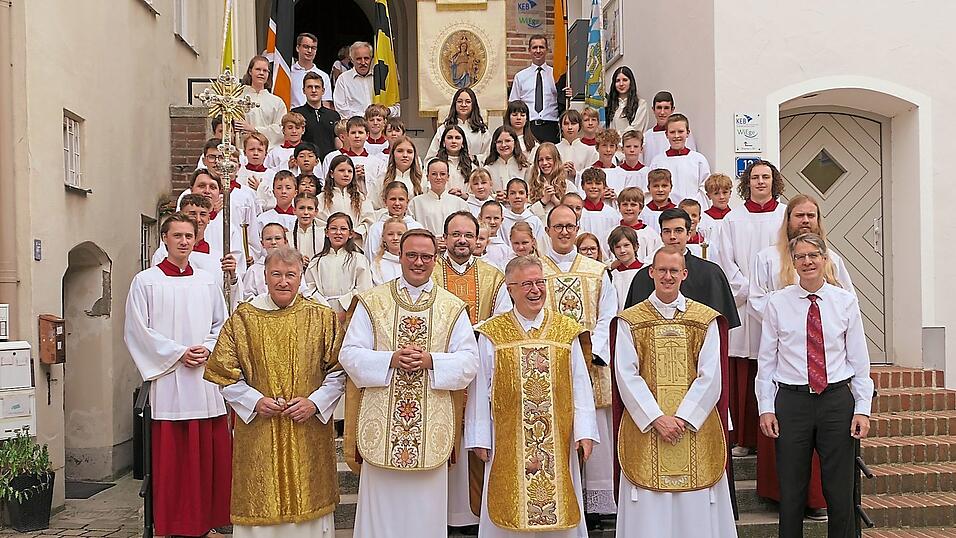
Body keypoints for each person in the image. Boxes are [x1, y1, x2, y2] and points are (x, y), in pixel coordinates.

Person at [340, 228, 479, 537]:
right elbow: (349, 354)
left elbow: (470, 362)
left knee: (425, 515)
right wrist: (390, 359)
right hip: (382, 423)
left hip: (431, 424)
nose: (419, 262)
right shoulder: (372, 302)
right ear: (399, 257)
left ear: (435, 259)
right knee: (382, 510)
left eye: (426, 256)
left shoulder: (451, 306)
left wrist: (432, 361)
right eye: (412, 255)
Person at [204, 245, 342, 537]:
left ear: (300, 276)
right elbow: (223, 373)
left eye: (290, 275)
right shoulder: (244, 318)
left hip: (308, 429)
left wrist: (315, 403)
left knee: (309, 499)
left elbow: (339, 370)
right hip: (259, 431)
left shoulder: (321, 317)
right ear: (264, 276)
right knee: (260, 493)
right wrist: (254, 401)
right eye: (276, 274)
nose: (283, 281)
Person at [465, 255, 599, 537]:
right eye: (527, 284)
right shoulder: (492, 333)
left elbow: (580, 384)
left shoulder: (565, 330)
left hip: (558, 439)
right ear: (510, 288)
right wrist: (479, 437)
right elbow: (480, 387)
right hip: (507, 438)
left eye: (540, 282)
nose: (535, 290)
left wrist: (585, 431)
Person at [613, 246, 736, 538]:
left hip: (693, 428)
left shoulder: (705, 319)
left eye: (674, 271)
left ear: (684, 274)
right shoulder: (630, 320)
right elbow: (626, 374)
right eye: (662, 270)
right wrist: (657, 418)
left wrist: (683, 417)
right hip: (648, 429)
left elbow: (711, 376)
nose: (668, 277)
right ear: (651, 273)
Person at [756, 233, 873, 538]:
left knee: (839, 491)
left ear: (824, 260)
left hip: (836, 401)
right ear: (793, 262)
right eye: (800, 257)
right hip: (792, 403)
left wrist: (863, 409)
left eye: (813, 256)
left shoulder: (845, 302)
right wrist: (766, 407)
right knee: (792, 491)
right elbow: (766, 361)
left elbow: (859, 360)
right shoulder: (778, 303)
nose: (807, 262)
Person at [749, 194, 855, 520]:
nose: (805, 220)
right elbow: (757, 301)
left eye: (811, 214)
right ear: (788, 219)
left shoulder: (832, 260)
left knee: (839, 486)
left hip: (831, 387)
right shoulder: (768, 258)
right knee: (791, 482)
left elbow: (848, 310)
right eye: (799, 215)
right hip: (791, 376)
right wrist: (785, 315)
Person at [124, 213, 230, 537]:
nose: (184, 241)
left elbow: (221, 325)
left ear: (195, 239)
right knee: (174, 460)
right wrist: (177, 353)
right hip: (170, 382)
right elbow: (136, 331)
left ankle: (208, 519)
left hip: (203, 380)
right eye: (178, 235)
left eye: (189, 236)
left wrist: (207, 349)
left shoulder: (207, 281)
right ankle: (173, 522)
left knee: (208, 458)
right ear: (165, 239)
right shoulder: (145, 282)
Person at [433, 211, 511, 531]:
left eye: (468, 235)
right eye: (455, 234)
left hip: (480, 366)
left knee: (477, 430)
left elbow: (503, 319)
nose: (462, 240)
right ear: (446, 238)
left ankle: (476, 514)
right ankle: (444, 512)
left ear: (479, 239)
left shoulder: (493, 276)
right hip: (441, 366)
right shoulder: (431, 272)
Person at [541, 204, 619, 520]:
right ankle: (560, 497)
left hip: (592, 367)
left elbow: (608, 316)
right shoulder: (534, 270)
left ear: (577, 228)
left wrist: (594, 352)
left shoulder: (597, 271)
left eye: (569, 226)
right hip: (546, 368)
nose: (563, 231)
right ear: (546, 231)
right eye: (557, 226)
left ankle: (599, 505)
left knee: (595, 430)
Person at [714, 159, 787, 458]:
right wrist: (747, 290)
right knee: (745, 369)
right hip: (744, 306)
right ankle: (744, 437)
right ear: (747, 183)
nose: (760, 182)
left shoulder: (785, 216)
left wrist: (776, 297)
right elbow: (723, 260)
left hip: (781, 303)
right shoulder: (733, 219)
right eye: (755, 177)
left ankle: (773, 437)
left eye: (765, 177)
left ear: (774, 181)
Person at [624, 208, 741, 332]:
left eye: (678, 231)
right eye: (667, 231)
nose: (672, 236)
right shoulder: (643, 277)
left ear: (689, 234)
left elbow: (720, 330)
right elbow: (633, 326)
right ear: (661, 236)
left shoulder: (711, 274)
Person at [303, 212, 372, 314]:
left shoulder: (359, 259)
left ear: (351, 234)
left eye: (343, 229)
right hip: (322, 313)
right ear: (326, 232)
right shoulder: (316, 262)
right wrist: (325, 309)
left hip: (351, 314)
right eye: (334, 228)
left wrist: (345, 311)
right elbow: (309, 289)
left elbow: (364, 289)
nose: (338, 232)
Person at [508, 34, 569, 143]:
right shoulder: (520, 76)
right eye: (534, 47)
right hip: (528, 126)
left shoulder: (556, 75)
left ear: (547, 50)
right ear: (529, 50)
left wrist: (569, 94)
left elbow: (562, 99)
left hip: (551, 126)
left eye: (541, 47)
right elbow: (514, 104)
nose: (538, 50)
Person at [647, 114, 710, 207]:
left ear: (687, 133)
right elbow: (652, 189)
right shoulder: (657, 161)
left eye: (680, 131)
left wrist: (691, 208)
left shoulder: (699, 160)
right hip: (666, 212)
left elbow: (705, 188)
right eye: (672, 132)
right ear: (666, 134)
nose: (676, 136)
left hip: (691, 213)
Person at [241, 222, 310, 302]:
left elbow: (303, 290)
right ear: (262, 243)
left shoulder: (294, 266)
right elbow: (248, 296)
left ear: (285, 241)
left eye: (277, 238)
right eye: (268, 239)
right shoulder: (254, 270)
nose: (273, 242)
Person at [333, 41, 400, 120]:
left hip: (381, 128)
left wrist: (387, 111)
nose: (363, 62)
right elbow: (341, 109)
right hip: (357, 128)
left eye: (366, 58)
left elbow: (397, 107)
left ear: (371, 59)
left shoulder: (382, 77)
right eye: (358, 59)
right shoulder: (343, 79)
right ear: (351, 60)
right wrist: (367, 117)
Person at [320, 116, 385, 196]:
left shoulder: (377, 162)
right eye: (353, 133)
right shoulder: (338, 161)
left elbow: (381, 188)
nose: (357, 136)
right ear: (347, 135)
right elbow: (328, 184)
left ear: (367, 135)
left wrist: (365, 177)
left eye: (360, 132)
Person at [316, 154, 375, 243]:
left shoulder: (361, 198)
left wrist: (356, 232)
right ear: (332, 173)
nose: (346, 174)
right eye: (341, 170)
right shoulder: (321, 199)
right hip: (330, 244)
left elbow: (369, 220)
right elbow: (318, 221)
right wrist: (336, 233)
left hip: (355, 244)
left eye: (350, 171)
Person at [408, 158, 469, 237]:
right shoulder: (416, 203)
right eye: (434, 174)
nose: (438, 177)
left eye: (442, 174)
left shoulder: (460, 204)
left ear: (448, 177)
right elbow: (411, 229)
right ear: (427, 177)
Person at [237, 55, 288, 149]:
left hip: (269, 151)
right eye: (258, 69)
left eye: (265, 71)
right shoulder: (238, 99)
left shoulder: (277, 102)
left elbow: (280, 129)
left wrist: (254, 129)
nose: (261, 73)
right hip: (244, 150)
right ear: (250, 71)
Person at [365, 181, 423, 263]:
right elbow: (371, 257)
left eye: (401, 199)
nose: (397, 203)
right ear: (385, 201)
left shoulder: (417, 228)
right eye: (393, 199)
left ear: (407, 201)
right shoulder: (376, 229)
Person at [427, 87, 492, 159]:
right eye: (460, 101)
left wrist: (474, 159)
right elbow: (431, 157)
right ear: (454, 104)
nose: (463, 105)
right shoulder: (443, 129)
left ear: (473, 105)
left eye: (468, 101)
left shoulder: (482, 130)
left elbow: (488, 156)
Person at [293, 72, 341, 162]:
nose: (314, 90)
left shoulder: (334, 115)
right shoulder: (296, 114)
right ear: (303, 90)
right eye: (310, 87)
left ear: (323, 91)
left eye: (317, 87)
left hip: (330, 163)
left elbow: (338, 142)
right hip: (306, 164)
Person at [642, 91, 698, 164]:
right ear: (653, 109)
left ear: (672, 109)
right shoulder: (646, 136)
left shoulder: (683, 134)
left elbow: (691, 159)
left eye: (666, 108)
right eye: (659, 108)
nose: (662, 112)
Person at [579, 168, 622, 260]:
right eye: (589, 183)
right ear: (582, 186)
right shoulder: (579, 213)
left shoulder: (612, 214)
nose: (593, 187)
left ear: (604, 187)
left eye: (598, 183)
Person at [371, 135, 424, 209]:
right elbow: (373, 206)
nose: (405, 155)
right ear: (393, 154)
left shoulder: (422, 179)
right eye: (400, 151)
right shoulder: (382, 178)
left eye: (409, 152)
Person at [528, 142, 578, 220]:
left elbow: (574, 213)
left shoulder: (568, 185)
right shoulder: (531, 185)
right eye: (541, 160)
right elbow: (527, 214)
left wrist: (555, 200)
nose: (544, 163)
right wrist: (544, 201)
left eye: (548, 159)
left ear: (556, 160)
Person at [617, 187, 661, 264]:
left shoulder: (650, 235)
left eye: (633, 205)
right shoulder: (610, 233)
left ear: (640, 208)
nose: (629, 208)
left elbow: (655, 258)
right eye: (625, 205)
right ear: (619, 207)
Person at [290, 32, 334, 109]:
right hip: (293, 117)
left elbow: (326, 105)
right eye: (306, 47)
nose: (310, 51)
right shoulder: (288, 73)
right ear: (297, 48)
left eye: (313, 48)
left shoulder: (323, 76)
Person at [483, 125, 530, 193]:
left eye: (507, 141)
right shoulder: (488, 169)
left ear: (515, 142)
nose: (503, 145)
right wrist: (496, 197)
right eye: (499, 142)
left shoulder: (525, 167)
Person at [605, 66, 650, 135]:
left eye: (625, 80)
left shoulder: (641, 104)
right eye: (618, 81)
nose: (621, 84)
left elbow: (636, 129)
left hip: (631, 144)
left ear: (631, 82)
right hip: (613, 144)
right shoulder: (610, 105)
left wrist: (618, 139)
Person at [500, 178, 545, 245]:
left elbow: (541, 245)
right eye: (512, 193)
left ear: (526, 196)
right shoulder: (502, 221)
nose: (517, 196)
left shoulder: (535, 221)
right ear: (507, 197)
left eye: (521, 193)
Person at [607, 225, 643, 307]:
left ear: (635, 246)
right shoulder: (612, 275)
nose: (622, 250)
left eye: (626, 245)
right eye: (618, 247)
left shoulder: (645, 272)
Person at [436, 125, 478, 196]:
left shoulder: (472, 167)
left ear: (463, 144)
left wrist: (465, 195)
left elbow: (477, 192)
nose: (453, 141)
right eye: (449, 138)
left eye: (457, 138)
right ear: (443, 142)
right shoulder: (435, 164)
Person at [555, 109, 598, 178]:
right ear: (561, 126)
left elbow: (592, 177)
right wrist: (560, 170)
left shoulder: (590, 151)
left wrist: (576, 174)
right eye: (566, 124)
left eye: (573, 123)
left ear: (579, 126)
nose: (570, 127)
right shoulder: (554, 149)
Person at [698, 172, 733, 245]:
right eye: (716, 193)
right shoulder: (702, 220)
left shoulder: (735, 217)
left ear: (730, 193)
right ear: (708, 196)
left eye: (725, 192)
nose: (721, 197)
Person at [638, 169, 677, 234]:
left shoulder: (677, 211)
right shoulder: (642, 212)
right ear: (648, 188)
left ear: (671, 188)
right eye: (656, 186)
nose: (660, 190)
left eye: (664, 186)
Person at [370, 217, 406, 285]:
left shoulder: (412, 263)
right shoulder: (377, 265)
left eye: (399, 234)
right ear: (383, 237)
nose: (395, 238)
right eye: (390, 234)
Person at [288, 192, 321, 265]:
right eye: (301, 208)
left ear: (316, 211)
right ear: (294, 210)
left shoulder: (323, 234)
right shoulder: (287, 237)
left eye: (310, 208)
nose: (306, 212)